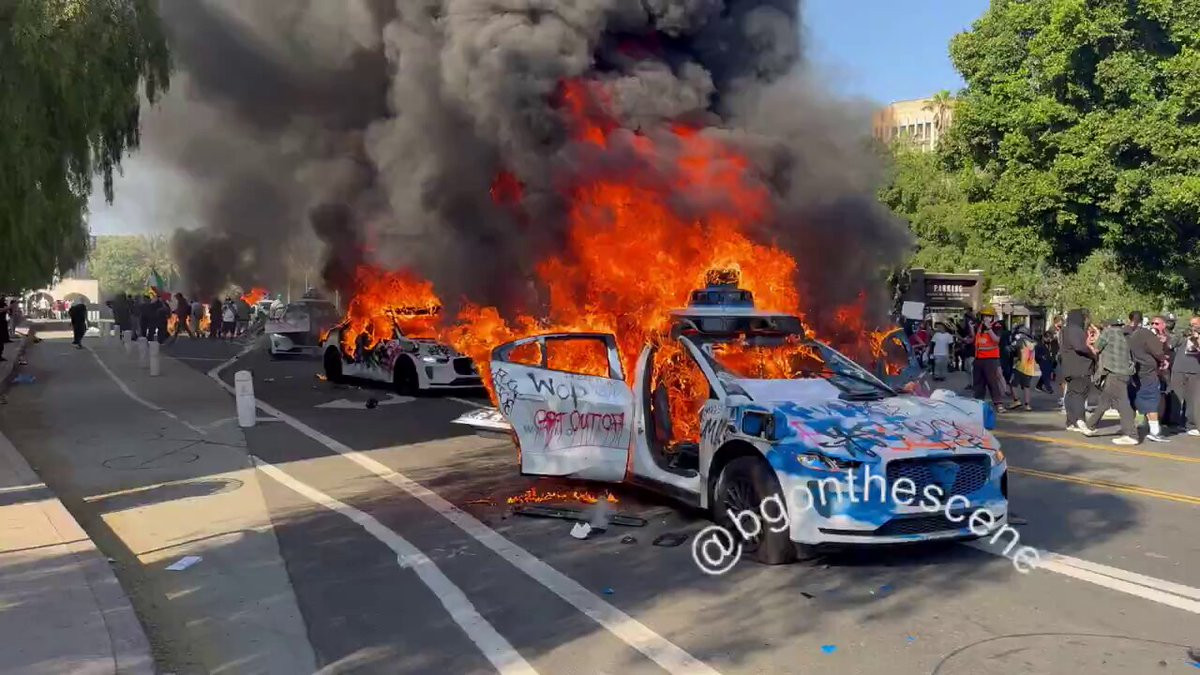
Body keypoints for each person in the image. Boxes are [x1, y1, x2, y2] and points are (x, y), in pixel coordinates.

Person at [1078, 318, 1138, 444]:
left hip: (1114, 372)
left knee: (1123, 403)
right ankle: (1090, 426)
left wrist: (1089, 343)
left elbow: (1096, 349)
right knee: (1104, 401)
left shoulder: (1108, 332)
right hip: (1124, 372)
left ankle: (1131, 434)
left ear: (1108, 325)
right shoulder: (1124, 334)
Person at [1126, 312, 1168, 442]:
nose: (1154, 326)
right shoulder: (1147, 335)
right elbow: (1157, 352)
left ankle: (1137, 427)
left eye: (1157, 323)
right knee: (1152, 399)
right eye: (1153, 323)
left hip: (1136, 370)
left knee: (1142, 398)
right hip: (1148, 371)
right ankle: (1155, 431)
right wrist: (1163, 359)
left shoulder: (1133, 334)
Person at [1060, 308, 1096, 431]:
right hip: (1080, 367)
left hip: (1068, 367)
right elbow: (1080, 347)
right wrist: (1092, 353)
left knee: (1070, 394)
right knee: (1079, 394)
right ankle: (1080, 420)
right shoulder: (1076, 330)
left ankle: (1071, 421)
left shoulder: (1065, 330)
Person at [1169, 316, 1200, 436]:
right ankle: (1174, 423)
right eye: (1191, 324)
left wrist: (1196, 338)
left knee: (1193, 399)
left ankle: (1191, 424)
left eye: (1196, 324)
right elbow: (1170, 345)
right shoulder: (1183, 335)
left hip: (1195, 370)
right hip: (1179, 369)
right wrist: (1182, 335)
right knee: (1176, 396)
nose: (1193, 327)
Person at [972, 308, 1007, 411]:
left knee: (992, 382)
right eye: (984, 316)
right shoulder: (979, 326)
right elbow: (975, 339)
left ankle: (998, 404)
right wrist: (971, 328)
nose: (986, 318)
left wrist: (989, 328)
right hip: (979, 358)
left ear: (992, 317)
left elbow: (996, 340)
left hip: (990, 359)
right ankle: (978, 404)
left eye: (988, 316)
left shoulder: (996, 326)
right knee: (978, 383)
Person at [1010, 326, 1040, 410]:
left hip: (1020, 367)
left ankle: (1016, 401)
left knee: (1012, 384)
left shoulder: (1020, 341)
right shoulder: (1032, 343)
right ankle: (1027, 405)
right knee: (1026, 386)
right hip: (1030, 368)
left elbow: (1012, 347)